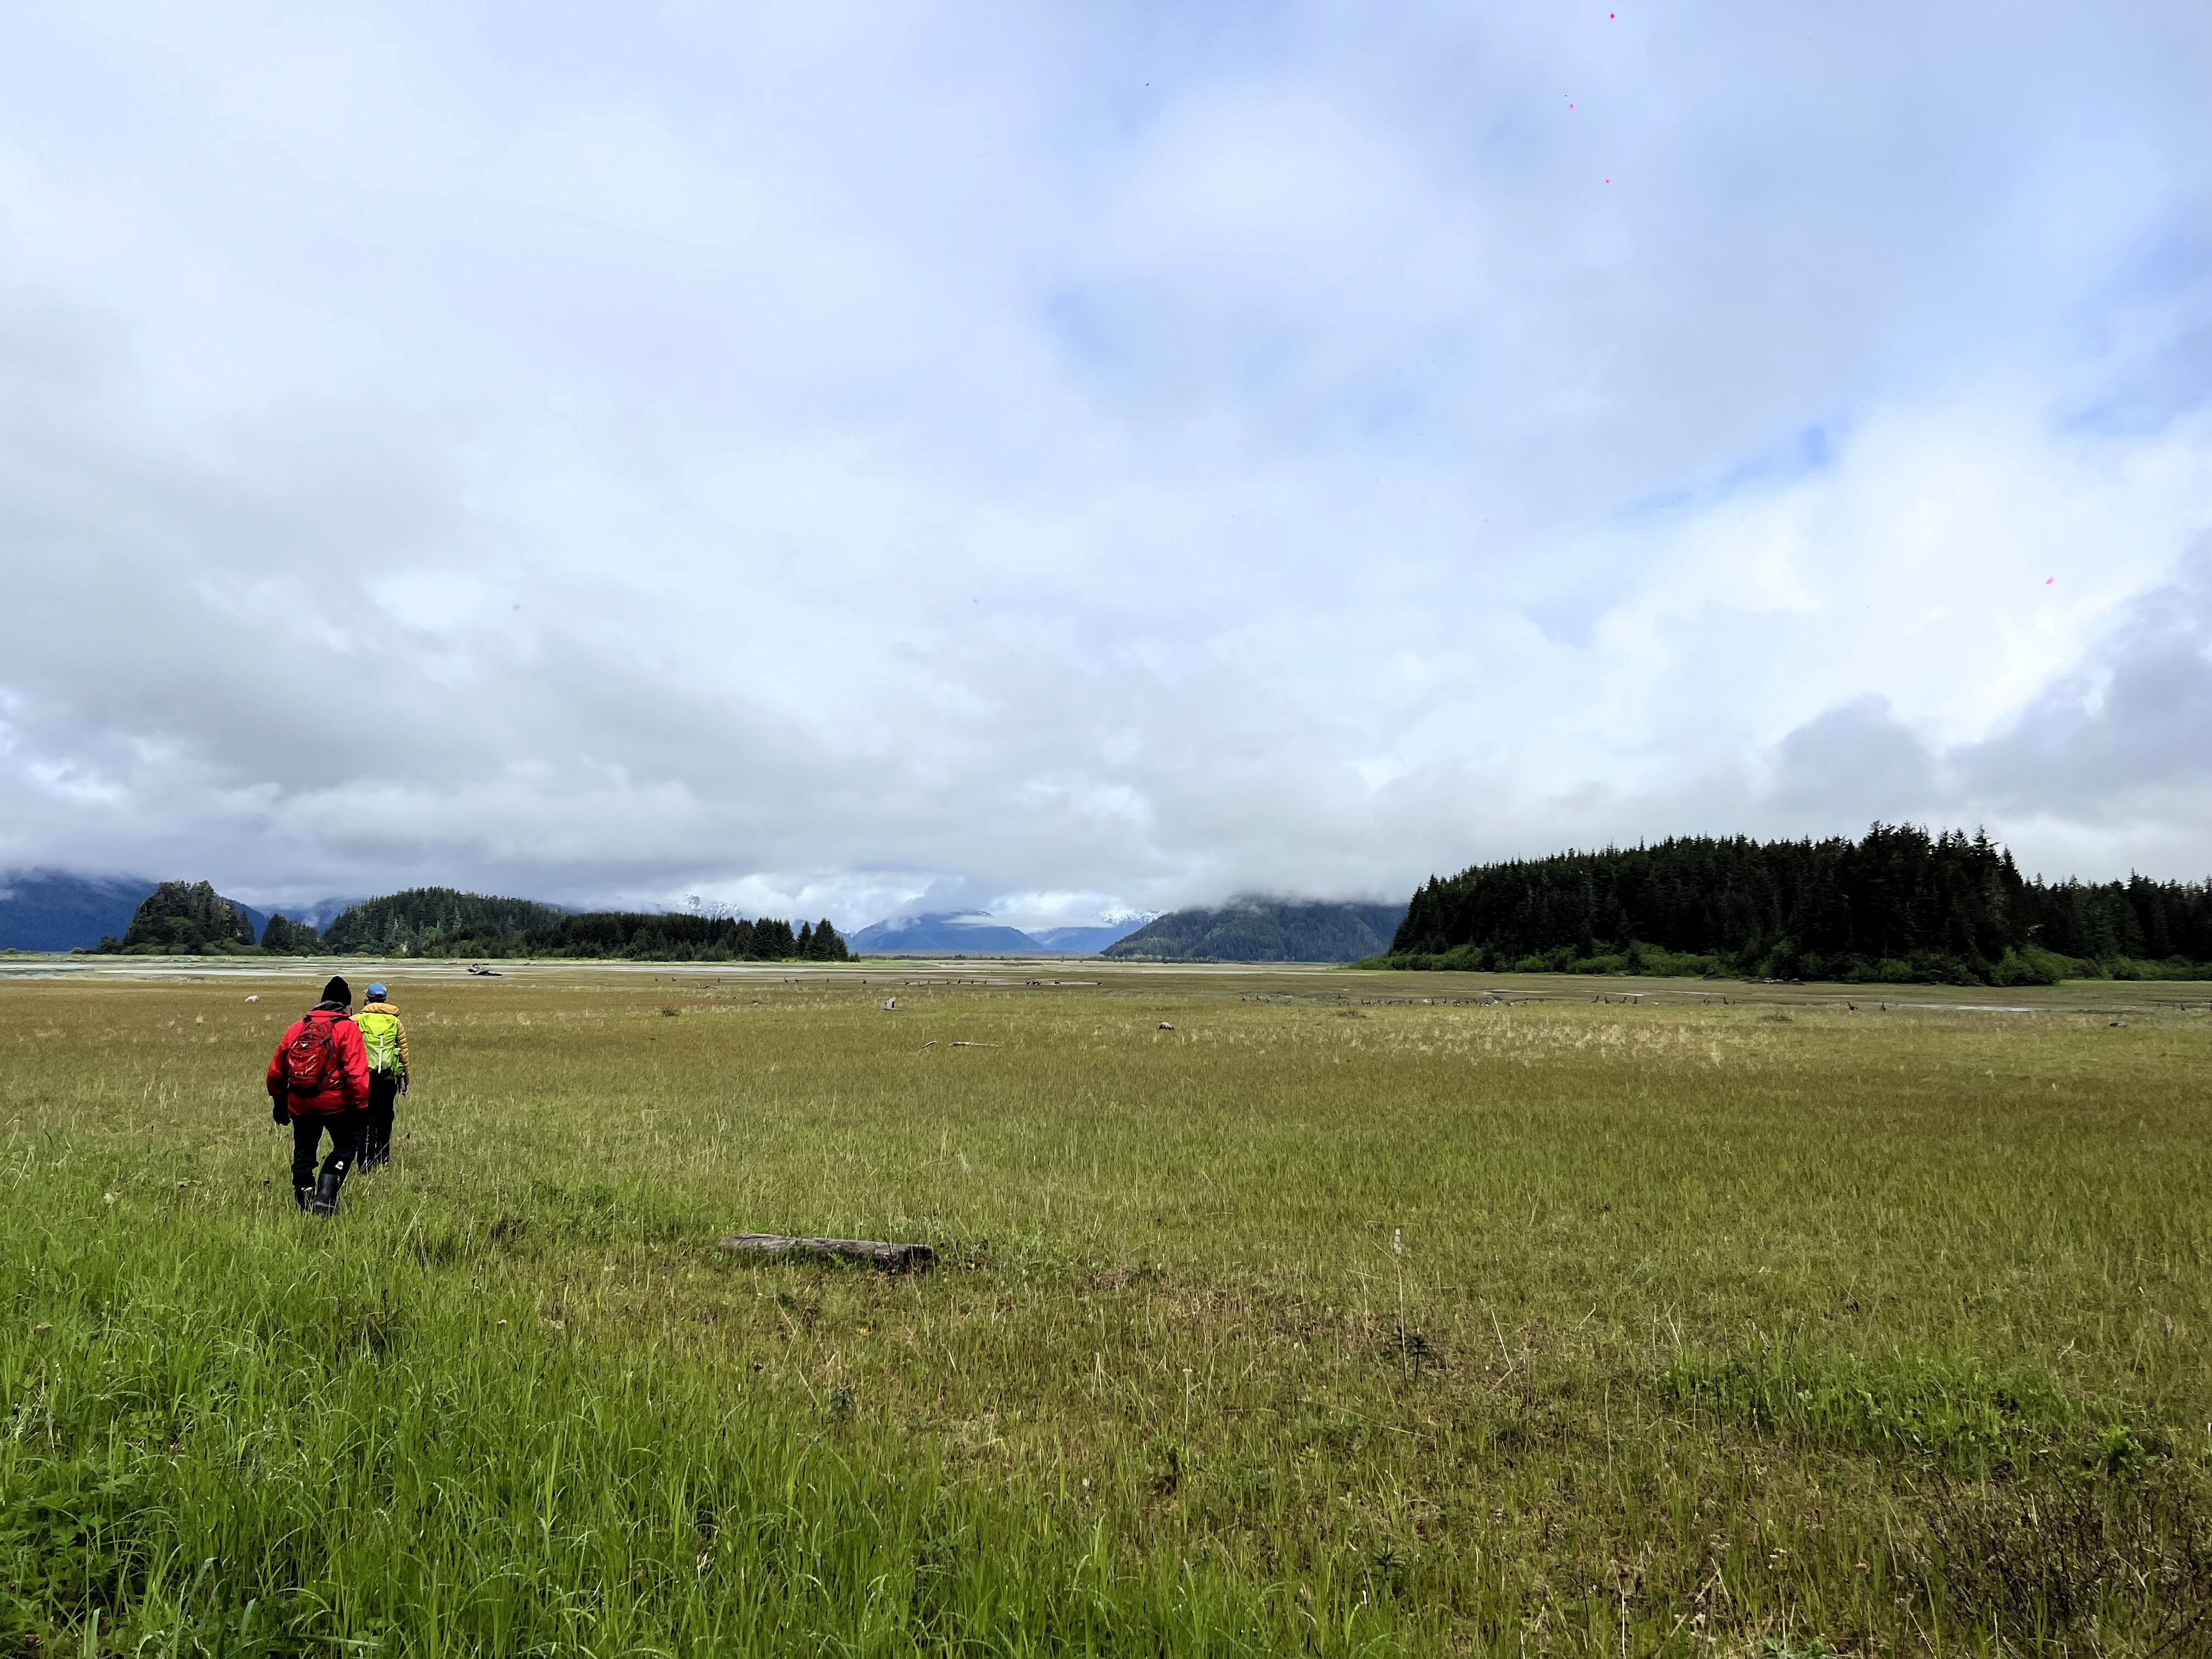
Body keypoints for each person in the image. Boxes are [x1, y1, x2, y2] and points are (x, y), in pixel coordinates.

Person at [266, 974, 370, 1215]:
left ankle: (304, 1205)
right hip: (337, 1104)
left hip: (300, 1104)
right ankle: (326, 1196)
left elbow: (275, 1071)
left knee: (304, 1153)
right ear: (346, 1006)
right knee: (346, 1147)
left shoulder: (297, 1028)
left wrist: (280, 1103)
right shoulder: (347, 1028)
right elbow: (356, 1073)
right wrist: (362, 1106)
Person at [356, 981, 410, 1169]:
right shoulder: (395, 1022)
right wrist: (405, 1081)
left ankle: (365, 1161)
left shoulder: (357, 1020)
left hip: (364, 1079)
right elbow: (403, 1053)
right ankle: (383, 1157)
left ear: (367, 999)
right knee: (385, 1117)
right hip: (388, 1079)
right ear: (385, 999)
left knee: (366, 1117)